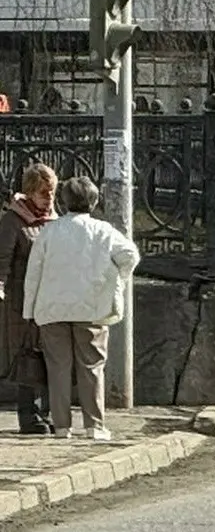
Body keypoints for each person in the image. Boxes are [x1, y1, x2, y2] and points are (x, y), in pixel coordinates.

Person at [20, 176, 140, 441]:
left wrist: (30, 311)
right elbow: (130, 256)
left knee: (58, 368)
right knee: (92, 366)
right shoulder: (104, 230)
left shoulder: (49, 232)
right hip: (91, 308)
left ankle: (62, 427)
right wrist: (115, 280)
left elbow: (34, 273)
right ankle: (94, 426)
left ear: (63, 203)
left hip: (52, 309)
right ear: (94, 202)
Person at [0, 163, 57, 434]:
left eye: (53, 191)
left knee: (50, 356)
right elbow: (2, 260)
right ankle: (29, 416)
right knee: (28, 357)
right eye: (44, 192)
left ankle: (46, 413)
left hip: (50, 300)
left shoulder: (53, 219)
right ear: (30, 191)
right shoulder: (13, 221)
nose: (49, 198)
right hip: (21, 302)